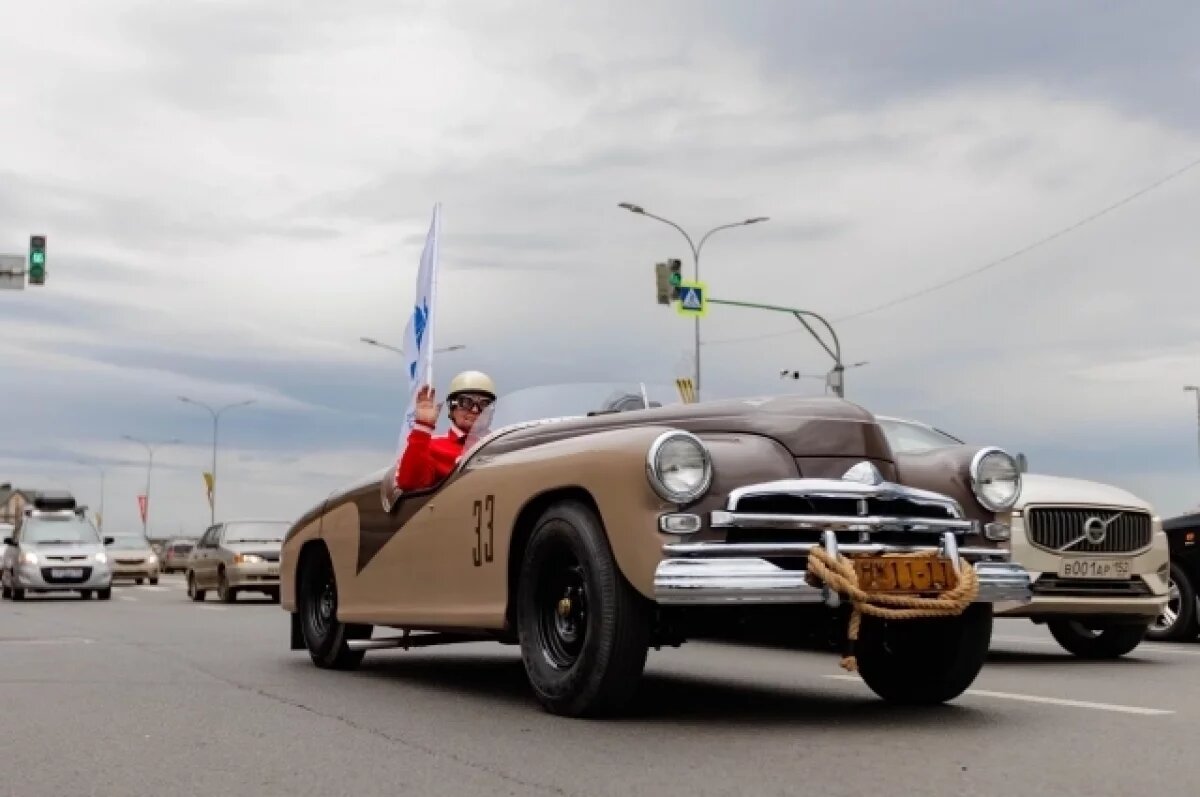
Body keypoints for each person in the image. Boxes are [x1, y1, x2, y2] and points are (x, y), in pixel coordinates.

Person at [393, 370, 496, 492]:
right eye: (466, 402)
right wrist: (423, 427)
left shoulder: (502, 446)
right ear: (452, 407)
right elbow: (409, 483)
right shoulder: (431, 447)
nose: (475, 410)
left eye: (484, 404)